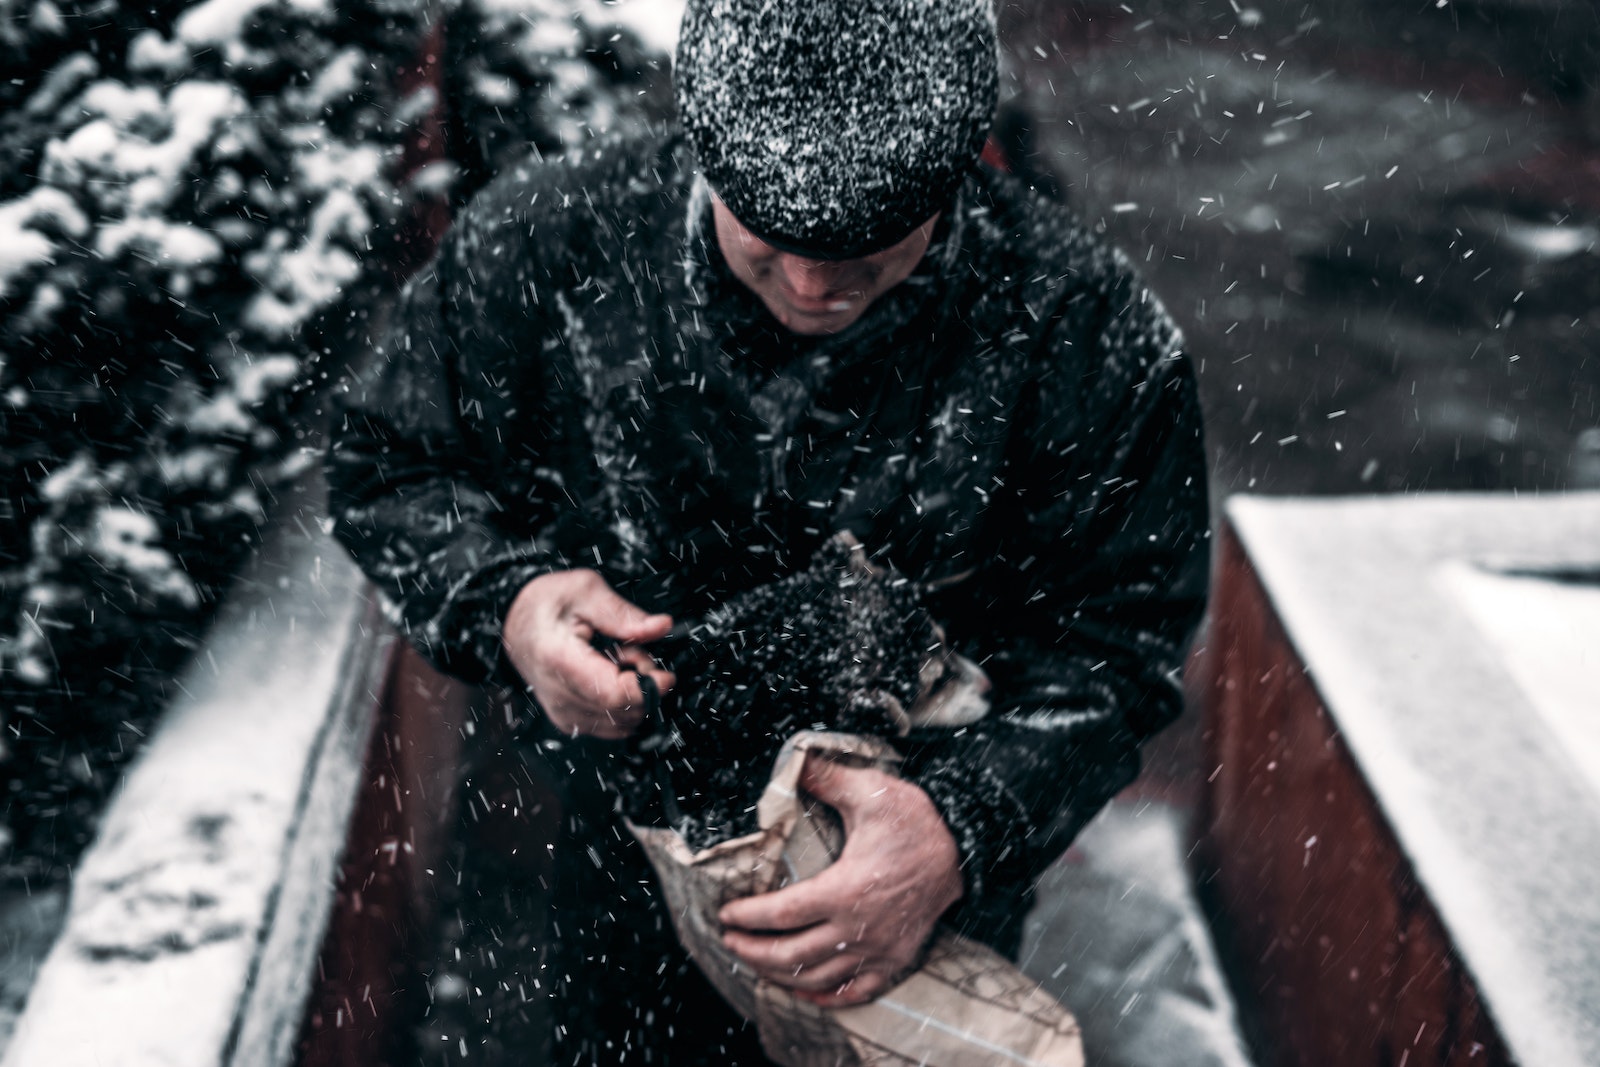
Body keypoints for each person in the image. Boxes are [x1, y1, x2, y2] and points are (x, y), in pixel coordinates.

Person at [325, 0, 1210, 1062]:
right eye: (771, 237)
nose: (810, 287)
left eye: (867, 252)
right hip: (583, 880)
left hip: (906, 914)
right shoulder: (545, 241)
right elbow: (389, 460)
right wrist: (509, 601)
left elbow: (1119, 643)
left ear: (962, 167)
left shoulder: (1088, 332)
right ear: (701, 144)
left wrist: (958, 825)